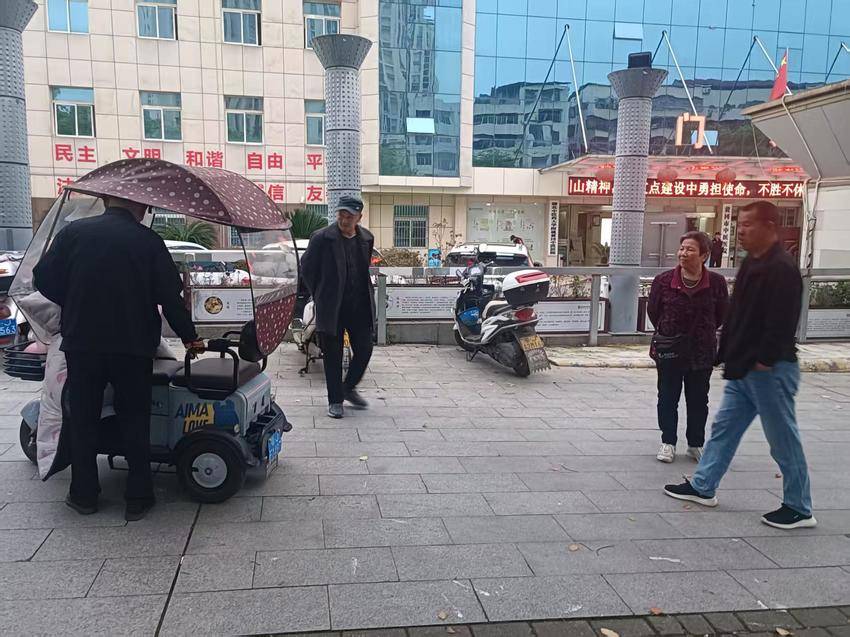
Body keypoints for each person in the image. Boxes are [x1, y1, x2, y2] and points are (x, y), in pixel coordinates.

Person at [33, 196, 203, 521]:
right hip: (133, 346)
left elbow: (43, 278)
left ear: (106, 200)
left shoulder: (74, 234)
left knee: (83, 419)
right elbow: (170, 297)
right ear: (142, 207)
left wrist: (75, 296)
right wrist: (189, 336)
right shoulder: (148, 241)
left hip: (83, 343)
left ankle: (84, 495)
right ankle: (138, 497)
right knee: (135, 419)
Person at [664, 201, 816, 530]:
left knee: (783, 440)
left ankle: (799, 507)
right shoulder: (752, 262)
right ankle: (703, 486)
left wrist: (764, 360)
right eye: (740, 224)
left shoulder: (781, 268)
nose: (741, 230)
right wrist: (725, 354)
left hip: (769, 370)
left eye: (748, 224)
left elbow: (782, 321)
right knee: (724, 430)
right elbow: (737, 313)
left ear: (769, 227)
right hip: (743, 368)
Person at [648, 231, 729, 464]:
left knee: (698, 399)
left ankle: (695, 444)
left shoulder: (716, 283)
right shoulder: (663, 281)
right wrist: (670, 330)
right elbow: (654, 311)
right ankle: (668, 442)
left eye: (690, 249)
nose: (683, 253)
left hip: (701, 352)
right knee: (667, 397)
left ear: (704, 255)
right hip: (670, 349)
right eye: (682, 248)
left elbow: (721, 314)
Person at [300, 195, 375, 419]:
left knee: (365, 349)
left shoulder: (367, 238)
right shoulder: (322, 238)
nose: (344, 220)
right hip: (331, 306)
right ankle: (335, 400)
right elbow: (307, 268)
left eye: (349, 216)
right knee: (332, 354)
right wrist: (320, 293)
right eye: (341, 215)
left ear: (359, 217)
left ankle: (348, 387)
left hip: (359, 305)